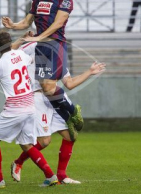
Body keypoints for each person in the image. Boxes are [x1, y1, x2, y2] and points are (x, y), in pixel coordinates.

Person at [10, 32, 106, 184]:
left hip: (55, 96)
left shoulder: (58, 52)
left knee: (71, 135)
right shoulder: (32, 46)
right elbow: (9, 52)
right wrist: (22, 38)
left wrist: (90, 72)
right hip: (38, 96)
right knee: (44, 141)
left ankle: (62, 176)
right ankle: (19, 162)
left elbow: (69, 83)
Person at [1, 0, 83, 142]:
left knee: (49, 87)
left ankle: (73, 111)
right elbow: (26, 22)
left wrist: (40, 36)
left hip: (55, 44)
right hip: (41, 47)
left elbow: (58, 22)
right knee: (47, 88)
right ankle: (69, 115)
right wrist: (13, 25)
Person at [0, 32, 58, 189]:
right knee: (26, 145)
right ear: (10, 44)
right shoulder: (21, 54)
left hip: (14, 109)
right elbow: (25, 58)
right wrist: (20, 42)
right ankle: (51, 176)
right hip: (30, 107)